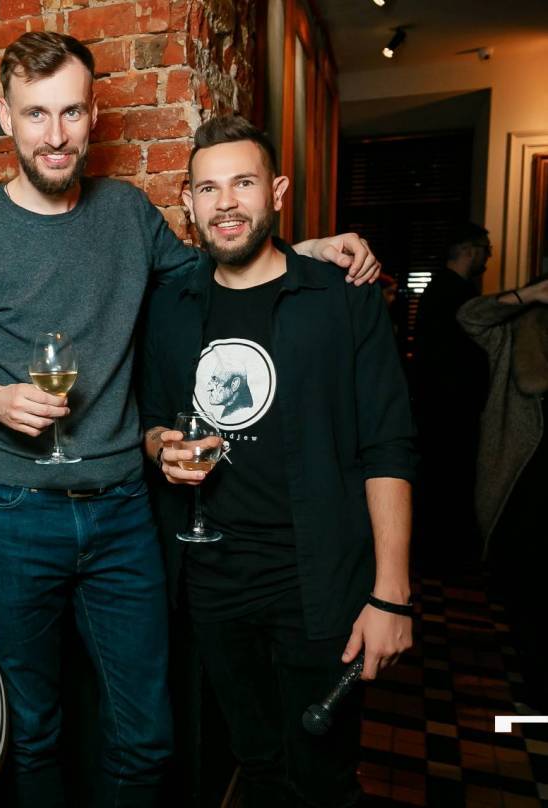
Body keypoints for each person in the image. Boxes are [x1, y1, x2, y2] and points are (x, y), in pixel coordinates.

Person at [0, 32, 378, 807]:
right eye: (35, 114)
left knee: (147, 737)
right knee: (33, 731)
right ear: (6, 118)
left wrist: (307, 250)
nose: (55, 135)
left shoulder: (126, 212)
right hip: (15, 513)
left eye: (71, 112)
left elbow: (211, 270)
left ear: (93, 115)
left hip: (123, 514)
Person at [140, 115, 416, 807]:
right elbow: (151, 422)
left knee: (323, 777)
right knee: (257, 766)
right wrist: (162, 448)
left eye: (243, 183)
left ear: (278, 192)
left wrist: (391, 593)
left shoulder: (341, 296)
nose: (226, 203)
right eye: (209, 188)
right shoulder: (170, 306)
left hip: (319, 583)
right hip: (213, 582)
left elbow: (388, 445)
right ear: (189, 201)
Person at [458, 274, 548, 712]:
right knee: (526, 589)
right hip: (523, 484)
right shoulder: (517, 330)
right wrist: (529, 295)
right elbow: (469, 316)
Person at [412, 223, 492, 567]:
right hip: (447, 407)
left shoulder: (443, 288)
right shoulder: (452, 292)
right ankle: (445, 554)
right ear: (470, 250)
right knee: (447, 479)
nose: (488, 259)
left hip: (441, 404)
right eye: (486, 251)